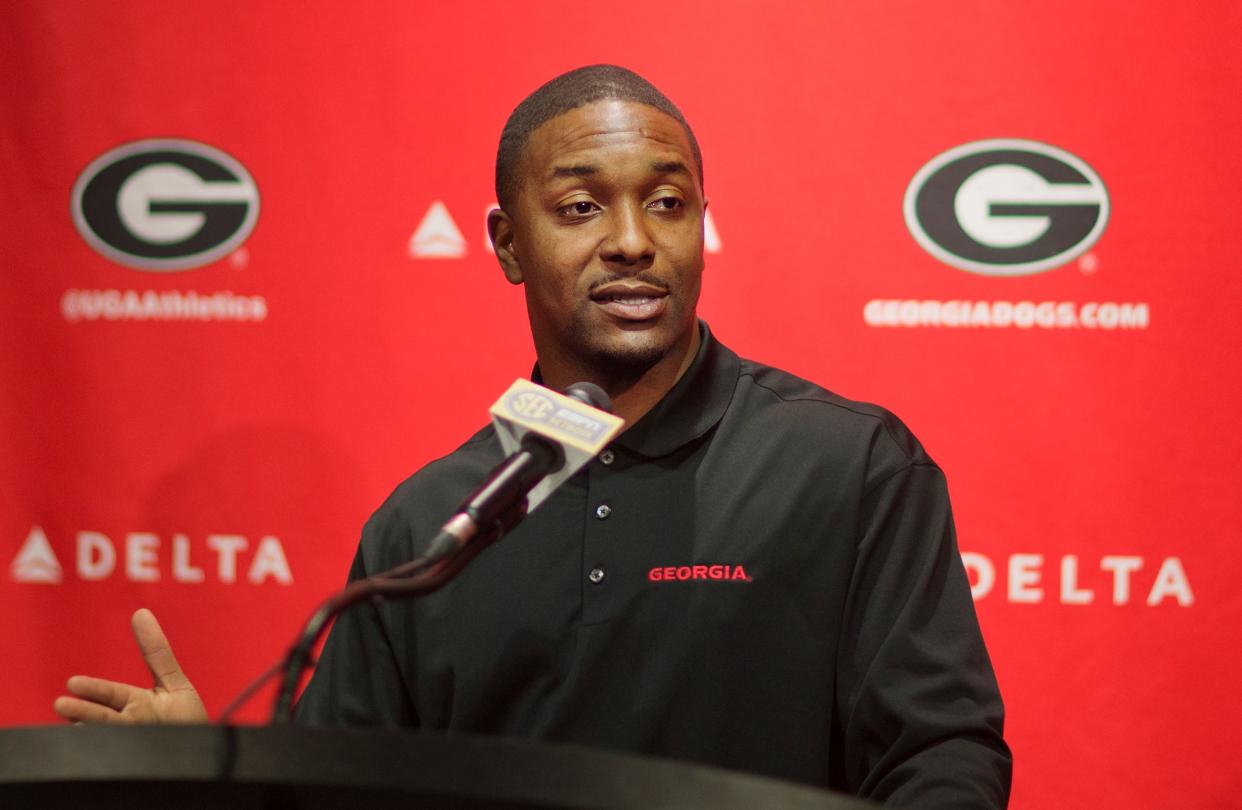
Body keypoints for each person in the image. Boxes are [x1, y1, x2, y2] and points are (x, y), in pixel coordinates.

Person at [55, 65, 1012, 808]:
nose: (634, 239)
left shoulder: (848, 465)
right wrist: (206, 775)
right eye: (581, 206)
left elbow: (941, 755)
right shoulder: (432, 525)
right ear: (508, 242)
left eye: (668, 202)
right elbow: (334, 792)